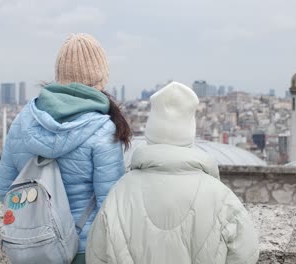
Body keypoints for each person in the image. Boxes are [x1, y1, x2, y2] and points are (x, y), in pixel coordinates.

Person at [86, 82, 259, 264]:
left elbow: (97, 255)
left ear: (151, 131)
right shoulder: (221, 198)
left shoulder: (119, 194)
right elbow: (245, 255)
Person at [0, 33, 131, 264]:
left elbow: (3, 189)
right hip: (81, 249)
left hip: (32, 247)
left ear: (60, 74)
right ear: (101, 78)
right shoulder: (104, 129)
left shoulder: (23, 121)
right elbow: (111, 206)